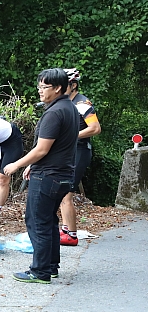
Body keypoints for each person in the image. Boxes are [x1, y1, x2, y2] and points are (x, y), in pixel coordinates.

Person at [3, 68, 79, 284]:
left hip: (48, 176)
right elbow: (58, 147)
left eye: (44, 87)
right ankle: (51, 266)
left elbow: (42, 149)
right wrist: (32, 165)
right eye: (39, 87)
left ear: (57, 88)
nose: (40, 91)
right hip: (63, 174)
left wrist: (16, 164)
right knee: (49, 220)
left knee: (37, 222)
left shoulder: (54, 113)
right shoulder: (69, 108)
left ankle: (40, 271)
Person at [58, 68, 101, 246]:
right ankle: (66, 228)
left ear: (73, 85)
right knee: (61, 191)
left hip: (80, 150)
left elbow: (95, 128)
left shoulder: (82, 103)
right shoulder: (65, 102)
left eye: (63, 85)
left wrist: (72, 135)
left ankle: (72, 234)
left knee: (66, 191)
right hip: (69, 151)